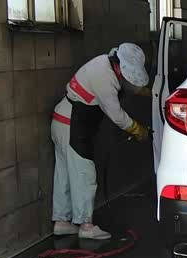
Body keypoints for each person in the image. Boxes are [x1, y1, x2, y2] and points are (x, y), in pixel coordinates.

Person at [50, 42, 150, 240]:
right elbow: (116, 114)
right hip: (72, 125)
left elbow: (120, 88)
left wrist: (142, 91)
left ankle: (61, 222)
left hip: (62, 121)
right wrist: (137, 129)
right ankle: (86, 226)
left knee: (64, 175)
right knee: (84, 173)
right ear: (121, 67)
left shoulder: (104, 64)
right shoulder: (104, 76)